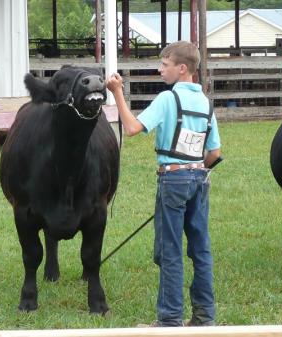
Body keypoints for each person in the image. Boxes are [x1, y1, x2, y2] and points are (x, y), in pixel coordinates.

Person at [106, 41, 221, 327]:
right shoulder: (206, 103)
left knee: (170, 250)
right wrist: (195, 171)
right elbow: (214, 153)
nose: (160, 70)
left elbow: (132, 128)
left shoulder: (168, 99)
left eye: (164, 65)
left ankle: (170, 319)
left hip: (172, 179)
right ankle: (204, 318)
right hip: (199, 178)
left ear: (182, 69)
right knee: (200, 249)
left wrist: (117, 92)